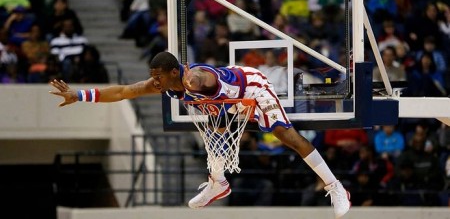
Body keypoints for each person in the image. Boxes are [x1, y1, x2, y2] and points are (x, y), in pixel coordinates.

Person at [49, 51, 351, 218]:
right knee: (215, 133)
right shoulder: (166, 81)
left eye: (158, 78)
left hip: (252, 88)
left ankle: (336, 187)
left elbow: (209, 87)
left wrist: (218, 112)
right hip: (226, 102)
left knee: (286, 135)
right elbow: (125, 91)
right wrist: (81, 94)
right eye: (153, 78)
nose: (155, 83)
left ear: (174, 72)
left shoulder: (195, 79)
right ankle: (217, 184)